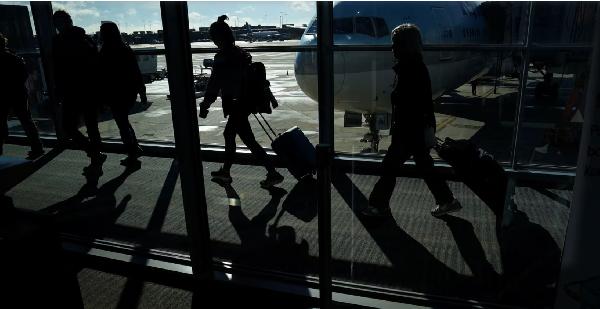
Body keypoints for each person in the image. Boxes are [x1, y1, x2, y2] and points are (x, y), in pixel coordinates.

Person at [361, 24, 462, 217]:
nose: (392, 48)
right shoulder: (414, 66)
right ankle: (447, 200)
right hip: (416, 129)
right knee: (426, 167)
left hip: (409, 131)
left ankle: (379, 206)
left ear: (406, 45)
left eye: (396, 44)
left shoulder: (410, 69)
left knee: (389, 167)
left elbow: (410, 104)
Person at [199, 15, 284, 188]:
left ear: (218, 37)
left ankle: (272, 173)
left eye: (213, 37)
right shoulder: (241, 53)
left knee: (245, 140)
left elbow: (214, 83)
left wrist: (206, 104)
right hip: (245, 102)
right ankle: (226, 172)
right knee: (232, 135)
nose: (213, 41)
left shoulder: (222, 57)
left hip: (236, 104)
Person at [52, 10, 106, 174]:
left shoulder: (60, 41)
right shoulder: (84, 39)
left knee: (69, 126)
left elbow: (60, 68)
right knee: (90, 125)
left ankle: (94, 155)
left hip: (76, 89)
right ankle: (95, 155)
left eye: (61, 23)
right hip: (85, 89)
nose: (60, 26)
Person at [98, 22, 145, 167]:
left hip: (115, 92)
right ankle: (134, 149)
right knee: (123, 121)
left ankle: (132, 152)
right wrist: (141, 90)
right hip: (128, 90)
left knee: (122, 123)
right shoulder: (125, 48)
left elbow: (102, 75)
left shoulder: (105, 50)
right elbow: (135, 71)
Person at [0, 32, 45, 159]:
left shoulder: (12, 58)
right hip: (17, 92)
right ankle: (37, 148)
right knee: (26, 120)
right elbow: (23, 76)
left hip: (4, 94)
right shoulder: (14, 58)